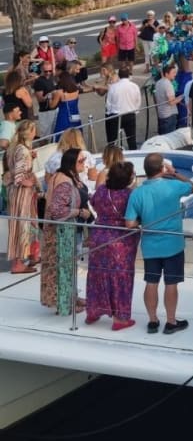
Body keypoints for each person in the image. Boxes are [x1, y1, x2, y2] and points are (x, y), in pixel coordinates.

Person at [125, 154, 193, 334]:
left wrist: (143, 220)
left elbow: (130, 223)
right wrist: (174, 173)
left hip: (150, 244)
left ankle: (153, 321)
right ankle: (171, 322)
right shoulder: (173, 185)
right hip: (173, 243)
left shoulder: (137, 192)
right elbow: (192, 187)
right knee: (171, 283)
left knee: (151, 282)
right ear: (162, 169)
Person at [85, 161, 139, 330]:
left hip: (99, 236)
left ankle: (93, 311)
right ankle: (120, 318)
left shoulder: (101, 191)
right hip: (120, 241)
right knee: (120, 278)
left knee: (96, 274)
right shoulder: (130, 195)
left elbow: (93, 203)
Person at [42, 148, 93, 315]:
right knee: (65, 267)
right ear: (71, 162)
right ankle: (66, 303)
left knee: (70, 266)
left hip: (69, 231)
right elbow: (57, 211)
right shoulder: (64, 181)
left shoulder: (68, 176)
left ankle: (72, 297)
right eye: (80, 161)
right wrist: (79, 212)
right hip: (63, 233)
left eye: (83, 160)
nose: (83, 163)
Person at [5, 120, 39, 274]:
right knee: (22, 226)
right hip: (21, 195)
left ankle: (32, 255)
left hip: (14, 193)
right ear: (29, 132)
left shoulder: (14, 148)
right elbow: (19, 176)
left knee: (25, 225)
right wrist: (29, 182)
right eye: (34, 130)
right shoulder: (22, 151)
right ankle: (18, 263)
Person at [105, 67, 141, 150]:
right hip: (130, 114)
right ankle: (134, 155)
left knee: (113, 140)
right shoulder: (134, 86)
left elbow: (108, 103)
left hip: (116, 115)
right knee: (131, 139)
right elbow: (138, 100)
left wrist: (109, 112)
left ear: (119, 75)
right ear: (128, 75)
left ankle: (112, 156)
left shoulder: (113, 87)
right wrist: (135, 111)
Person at [49, 72, 82, 142]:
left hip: (63, 117)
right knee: (76, 136)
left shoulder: (59, 92)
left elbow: (52, 106)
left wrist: (50, 97)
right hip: (75, 116)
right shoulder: (76, 91)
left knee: (61, 137)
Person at [154, 63, 182, 135]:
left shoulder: (158, 83)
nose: (175, 74)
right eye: (173, 73)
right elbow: (171, 102)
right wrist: (182, 96)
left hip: (162, 114)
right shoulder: (168, 84)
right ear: (166, 74)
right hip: (169, 115)